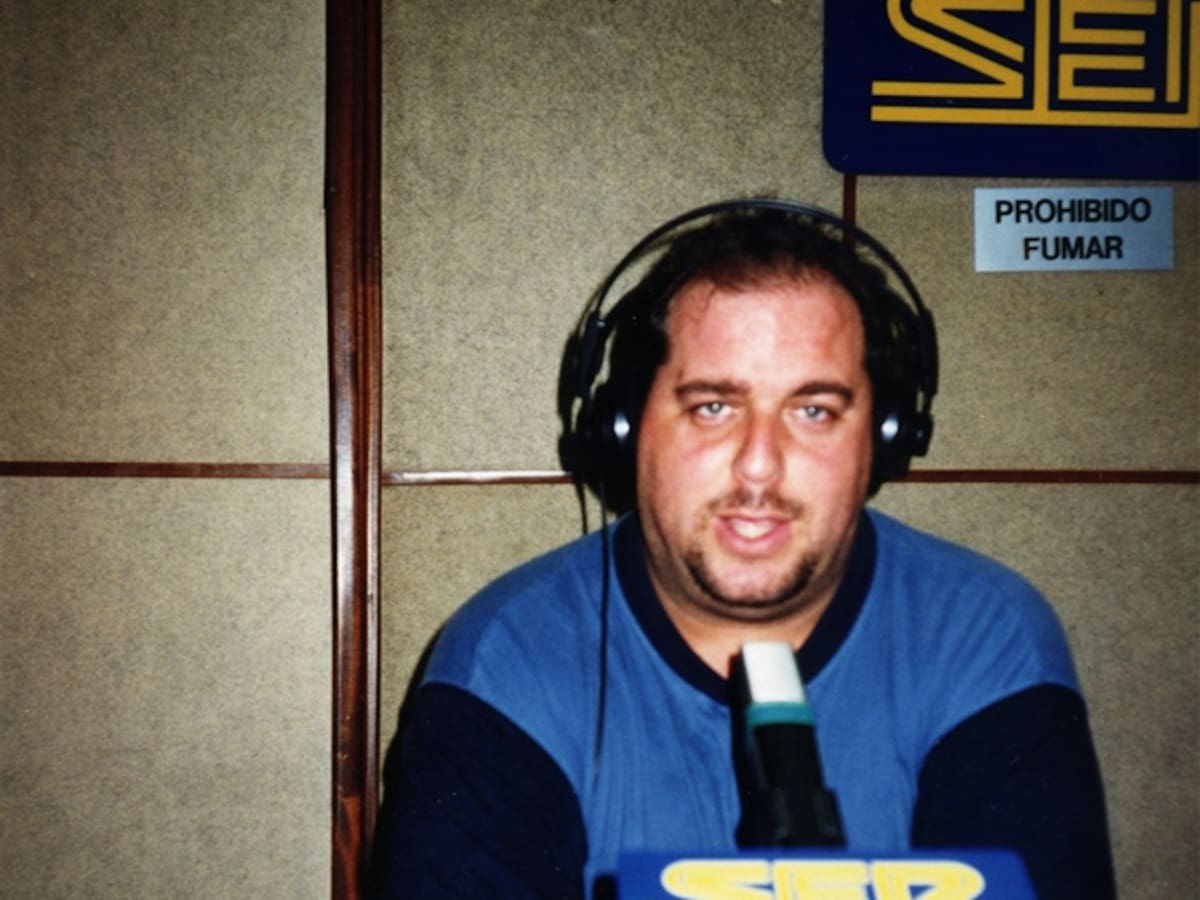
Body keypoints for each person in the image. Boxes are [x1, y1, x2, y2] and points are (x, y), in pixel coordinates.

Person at [371, 200, 1115, 899]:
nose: (760, 465)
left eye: (813, 410)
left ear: (884, 440)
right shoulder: (508, 663)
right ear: (626, 429)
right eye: (713, 407)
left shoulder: (984, 638)